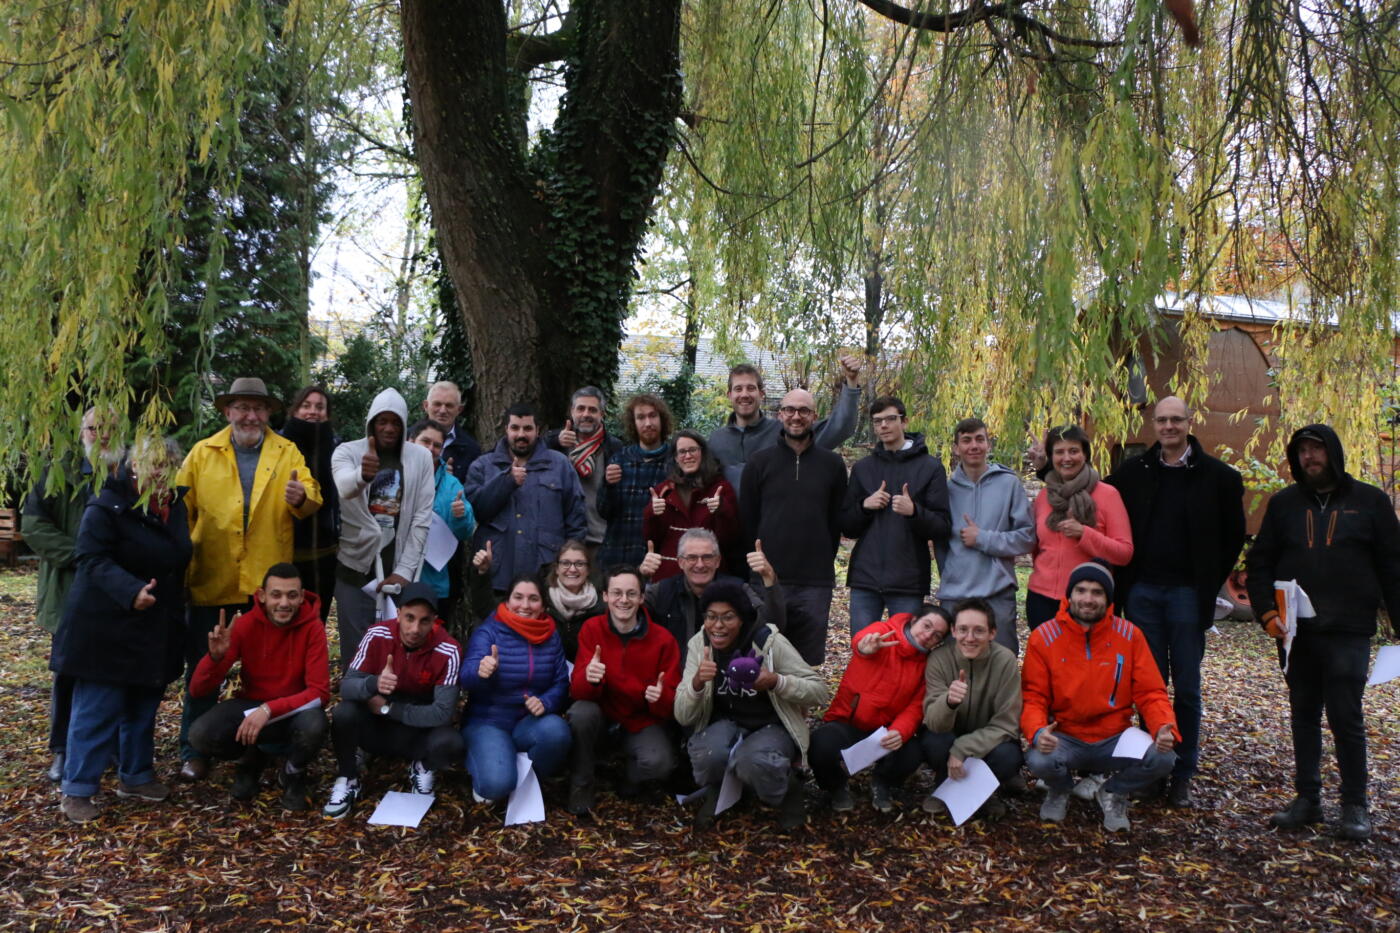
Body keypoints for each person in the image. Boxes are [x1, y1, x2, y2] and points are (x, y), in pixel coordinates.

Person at [1246, 424, 1400, 842]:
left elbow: (1393, 567)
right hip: (1297, 632)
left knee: (1346, 717)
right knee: (1303, 715)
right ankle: (1308, 800)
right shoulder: (1283, 505)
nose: (1309, 458)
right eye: (1302, 452)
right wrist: (1265, 615)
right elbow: (1259, 564)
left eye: (1316, 450)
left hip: (1350, 629)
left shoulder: (1370, 502)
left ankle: (1355, 805)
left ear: (1333, 451)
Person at [176, 377, 322, 782]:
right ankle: (194, 748)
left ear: (269, 413)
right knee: (204, 664)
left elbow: (312, 495)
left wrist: (302, 499)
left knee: (273, 669)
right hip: (213, 577)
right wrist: (181, 571)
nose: (250, 415)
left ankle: (265, 745)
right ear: (227, 411)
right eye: (242, 407)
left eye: (257, 408)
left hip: (267, 586)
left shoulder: (286, 450)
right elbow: (181, 512)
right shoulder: (202, 453)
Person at [1105, 396, 1245, 807]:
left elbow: (1233, 535)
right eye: (1162, 420)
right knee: (1150, 686)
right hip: (1144, 592)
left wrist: (1207, 582)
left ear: (1188, 423)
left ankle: (1183, 769)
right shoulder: (1133, 473)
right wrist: (1046, 467)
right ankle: (1154, 767)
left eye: (1175, 420)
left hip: (1188, 594)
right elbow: (1094, 495)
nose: (1168, 426)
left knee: (1186, 687)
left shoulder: (1218, 477)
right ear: (1154, 425)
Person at [52, 438, 192, 823]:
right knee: (98, 706)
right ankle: (77, 788)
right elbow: (90, 558)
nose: (160, 471)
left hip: (155, 623)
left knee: (142, 705)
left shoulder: (175, 506)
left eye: (168, 464)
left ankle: (135, 776)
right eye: (152, 463)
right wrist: (130, 591)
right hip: (105, 624)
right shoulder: (106, 504)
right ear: (133, 466)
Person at [1022, 563, 1178, 832]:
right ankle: (1060, 789)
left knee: (1164, 758)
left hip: (1115, 737)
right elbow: (1033, 696)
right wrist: (1037, 732)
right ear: (1069, 596)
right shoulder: (1043, 637)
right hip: (1066, 735)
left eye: (1097, 592)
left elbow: (1151, 692)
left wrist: (1164, 727)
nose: (1088, 599)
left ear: (1108, 600)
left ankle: (1113, 792)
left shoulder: (1130, 635)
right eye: (1081, 590)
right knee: (1038, 758)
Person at [674, 580, 829, 829]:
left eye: (728, 617)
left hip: (771, 725)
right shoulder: (699, 644)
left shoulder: (768, 641)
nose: (718, 626)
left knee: (753, 762)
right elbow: (682, 715)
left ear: (743, 619)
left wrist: (775, 681)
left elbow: (819, 692)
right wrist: (697, 683)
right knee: (708, 754)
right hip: (726, 723)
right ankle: (719, 791)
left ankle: (788, 790)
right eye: (711, 617)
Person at [187, 563, 330, 811]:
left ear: (301, 595)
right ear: (262, 596)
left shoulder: (312, 627)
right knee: (200, 734)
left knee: (315, 724)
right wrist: (215, 659)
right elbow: (198, 690)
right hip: (250, 706)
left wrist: (268, 709)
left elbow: (320, 693)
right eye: (276, 594)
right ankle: (249, 759)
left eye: (292, 595)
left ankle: (293, 772)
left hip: (292, 711)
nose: (284, 603)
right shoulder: (245, 625)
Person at [322, 582, 465, 818]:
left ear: (435, 621)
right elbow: (347, 687)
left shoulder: (448, 650)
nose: (415, 629)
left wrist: (390, 708)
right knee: (344, 713)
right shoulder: (378, 634)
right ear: (398, 614)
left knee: (451, 742)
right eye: (409, 618)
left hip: (416, 729)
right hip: (377, 726)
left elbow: (443, 712)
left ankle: (422, 767)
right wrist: (373, 683)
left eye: (424, 621)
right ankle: (348, 776)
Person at [22, 407, 103, 783]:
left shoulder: (124, 472)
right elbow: (35, 525)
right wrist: (80, 557)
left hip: (111, 593)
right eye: (93, 427)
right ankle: (62, 750)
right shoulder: (58, 471)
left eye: (110, 429)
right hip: (68, 591)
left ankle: (107, 749)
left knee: (109, 674)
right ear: (81, 430)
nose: (100, 435)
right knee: (67, 673)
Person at [739, 388, 849, 665]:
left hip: (814, 581)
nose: (796, 417)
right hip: (766, 579)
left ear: (814, 416)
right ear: (780, 415)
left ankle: (799, 711)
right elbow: (747, 521)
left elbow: (836, 521)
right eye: (789, 410)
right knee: (762, 657)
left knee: (805, 662)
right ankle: (763, 711)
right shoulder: (759, 463)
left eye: (803, 411)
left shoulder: (833, 464)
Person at [331, 388, 436, 672]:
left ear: (403, 424)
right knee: (356, 648)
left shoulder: (420, 458)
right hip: (354, 566)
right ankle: (355, 704)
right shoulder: (347, 452)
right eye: (382, 421)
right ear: (371, 423)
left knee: (397, 645)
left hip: (398, 567)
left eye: (395, 422)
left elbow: (421, 518)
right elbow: (343, 486)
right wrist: (363, 475)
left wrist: (404, 570)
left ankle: (391, 704)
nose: (388, 428)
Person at [810, 605, 950, 813]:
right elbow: (862, 640)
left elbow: (916, 706)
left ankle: (883, 782)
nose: (928, 635)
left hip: (885, 729)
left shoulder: (927, 665)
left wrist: (900, 731)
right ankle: (835, 787)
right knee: (820, 745)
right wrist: (864, 647)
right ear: (914, 620)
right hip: (849, 721)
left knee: (912, 752)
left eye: (936, 635)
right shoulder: (886, 633)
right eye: (926, 625)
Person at [566, 566, 682, 814]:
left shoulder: (663, 640)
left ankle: (627, 774)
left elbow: (673, 704)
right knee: (581, 713)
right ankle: (582, 783)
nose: (624, 600)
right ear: (605, 596)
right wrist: (590, 679)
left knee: (659, 763)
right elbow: (577, 691)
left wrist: (659, 698)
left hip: (640, 718)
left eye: (631, 594)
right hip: (602, 713)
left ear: (641, 598)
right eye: (616, 593)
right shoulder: (591, 629)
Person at [840, 396, 952, 633]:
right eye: (877, 421)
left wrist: (914, 512)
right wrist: (864, 506)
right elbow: (847, 526)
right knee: (863, 647)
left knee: (905, 651)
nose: (883, 426)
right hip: (865, 579)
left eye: (890, 419)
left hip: (908, 581)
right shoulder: (863, 468)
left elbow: (942, 526)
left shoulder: (930, 467)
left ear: (905, 422)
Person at [459, 574, 572, 802]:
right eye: (518, 597)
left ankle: (528, 783)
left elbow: (561, 681)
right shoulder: (489, 631)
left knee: (557, 731)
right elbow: (465, 677)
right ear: (508, 600)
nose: (525, 605)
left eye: (533, 599)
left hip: (528, 723)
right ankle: (495, 767)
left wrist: (546, 702)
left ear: (543, 605)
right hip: (488, 722)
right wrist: (481, 672)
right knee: (495, 785)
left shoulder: (550, 635)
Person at [934, 417, 1036, 654]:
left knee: (1003, 662)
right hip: (955, 594)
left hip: (997, 592)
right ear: (956, 448)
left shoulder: (1009, 484)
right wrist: (950, 571)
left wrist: (983, 538)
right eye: (966, 441)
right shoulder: (945, 490)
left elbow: (1027, 538)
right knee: (956, 667)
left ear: (989, 444)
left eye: (980, 439)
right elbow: (939, 541)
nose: (974, 446)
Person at [464, 403, 587, 593]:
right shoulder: (483, 466)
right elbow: (476, 512)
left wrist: (568, 566)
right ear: (506, 429)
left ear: (538, 431)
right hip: (498, 576)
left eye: (528, 428)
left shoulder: (559, 465)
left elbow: (576, 520)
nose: (521, 434)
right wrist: (506, 482)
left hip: (547, 576)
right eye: (515, 428)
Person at [921, 599, 1024, 822]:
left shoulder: (1005, 661)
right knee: (934, 742)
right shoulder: (939, 659)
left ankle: (984, 792)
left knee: (1009, 756)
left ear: (992, 633)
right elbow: (933, 721)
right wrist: (948, 702)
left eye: (979, 631)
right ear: (953, 631)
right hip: (949, 733)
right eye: (963, 630)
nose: (970, 638)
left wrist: (962, 749)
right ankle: (944, 787)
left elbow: (1007, 723)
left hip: (988, 738)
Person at [1025, 425, 1132, 631]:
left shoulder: (1108, 495)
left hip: (1088, 601)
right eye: (1059, 452)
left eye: (1073, 451)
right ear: (1051, 456)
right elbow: (1036, 548)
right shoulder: (1044, 497)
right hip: (1041, 599)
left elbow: (1124, 553)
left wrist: (1084, 534)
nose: (1067, 458)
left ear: (1085, 454)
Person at [708, 357, 864, 496]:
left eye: (751, 388)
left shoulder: (785, 432)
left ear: (761, 394)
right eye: (738, 389)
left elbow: (839, 427)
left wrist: (851, 382)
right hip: (730, 526)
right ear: (729, 395)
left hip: (773, 524)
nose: (744, 394)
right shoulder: (717, 441)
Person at [645, 528, 784, 665]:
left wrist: (768, 577)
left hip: (727, 680)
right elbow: (628, 615)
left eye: (707, 557)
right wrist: (641, 576)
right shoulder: (662, 591)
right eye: (692, 557)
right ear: (681, 562)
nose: (700, 564)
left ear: (718, 561)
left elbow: (772, 627)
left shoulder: (738, 589)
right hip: (673, 680)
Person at [642, 430, 738, 581]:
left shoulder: (720, 489)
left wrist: (722, 511)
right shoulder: (663, 491)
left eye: (693, 450)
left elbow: (729, 541)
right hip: (669, 578)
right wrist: (652, 514)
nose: (688, 456)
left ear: (703, 453)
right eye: (682, 452)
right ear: (675, 458)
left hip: (709, 576)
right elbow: (651, 539)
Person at [280, 385, 341, 623]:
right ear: (294, 410)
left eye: (319, 407)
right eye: (306, 406)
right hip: (286, 552)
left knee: (316, 621)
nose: (312, 411)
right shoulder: (278, 445)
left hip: (325, 553)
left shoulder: (337, 447)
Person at [408, 418, 477, 622]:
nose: (431, 448)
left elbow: (465, 531)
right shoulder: (396, 475)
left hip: (434, 581)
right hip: (396, 575)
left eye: (437, 445)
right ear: (411, 441)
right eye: (425, 441)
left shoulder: (451, 484)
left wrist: (460, 515)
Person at [545, 387, 623, 560]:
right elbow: (530, 451)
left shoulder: (614, 448)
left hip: (600, 542)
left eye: (592, 410)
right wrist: (555, 440)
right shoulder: (557, 443)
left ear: (602, 414)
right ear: (572, 412)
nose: (586, 414)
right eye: (580, 408)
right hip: (561, 541)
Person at [598, 393, 674, 569]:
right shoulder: (619, 459)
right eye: (641, 417)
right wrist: (608, 485)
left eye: (653, 416)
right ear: (633, 423)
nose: (648, 423)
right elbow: (603, 511)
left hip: (658, 558)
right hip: (618, 556)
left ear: (662, 419)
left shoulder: (675, 461)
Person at [545, 540, 605, 660]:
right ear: (557, 569)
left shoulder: (603, 605)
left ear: (588, 570)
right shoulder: (541, 601)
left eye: (579, 564)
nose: (572, 569)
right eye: (565, 563)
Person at [422, 380, 482, 483]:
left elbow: (471, 491)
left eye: (449, 405)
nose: (442, 411)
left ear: (459, 409)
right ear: (426, 406)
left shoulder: (471, 449)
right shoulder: (407, 440)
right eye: (437, 404)